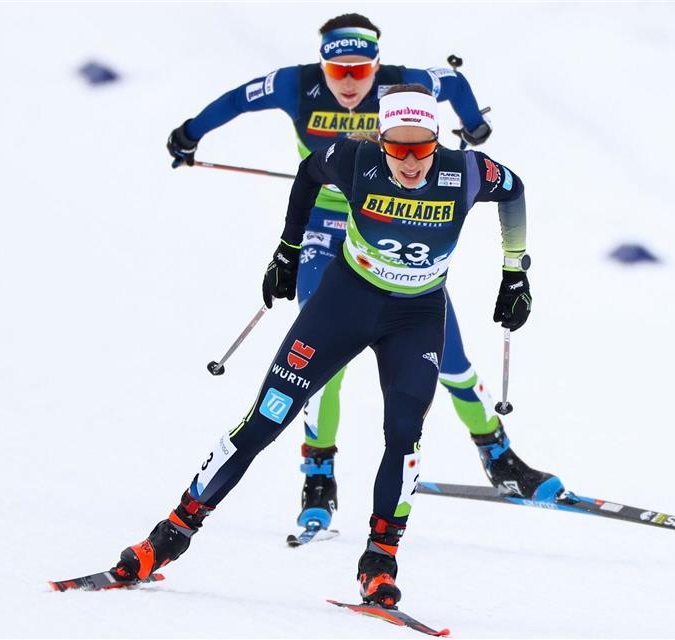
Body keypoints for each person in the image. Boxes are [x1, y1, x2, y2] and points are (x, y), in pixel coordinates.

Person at [113, 85, 561, 607]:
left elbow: (515, 190)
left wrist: (515, 273)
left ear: (437, 141)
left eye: (422, 148)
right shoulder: (355, 158)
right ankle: (166, 539)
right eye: (398, 147)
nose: (411, 162)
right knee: (267, 418)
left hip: (415, 317)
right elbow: (307, 176)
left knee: (403, 436)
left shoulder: (467, 172)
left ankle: (379, 563)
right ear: (382, 141)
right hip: (345, 302)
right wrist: (288, 248)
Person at [166, 14, 559, 535]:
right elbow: (239, 99)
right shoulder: (295, 84)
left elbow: (457, 85)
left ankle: (498, 455)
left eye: (361, 70)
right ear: (322, 63)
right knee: (320, 365)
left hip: (400, 226)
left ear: (378, 65)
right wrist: (190, 133)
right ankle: (319, 475)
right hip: (327, 227)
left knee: (453, 360)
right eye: (338, 69)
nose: (350, 82)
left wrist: (473, 125)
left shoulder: (407, 88)